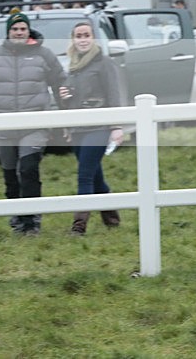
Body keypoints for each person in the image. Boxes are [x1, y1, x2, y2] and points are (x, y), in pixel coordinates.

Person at [0, 11, 66, 235]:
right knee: (10, 174)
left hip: (34, 125)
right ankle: (17, 216)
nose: (19, 32)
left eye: (23, 29)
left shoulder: (44, 55)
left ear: (29, 32)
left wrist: (64, 112)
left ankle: (31, 221)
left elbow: (61, 82)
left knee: (28, 169)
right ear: (9, 32)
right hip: (4, 127)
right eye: (15, 29)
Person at [58, 21, 124, 235]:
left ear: (93, 38)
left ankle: (79, 226)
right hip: (77, 128)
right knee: (95, 176)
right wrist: (65, 98)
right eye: (79, 35)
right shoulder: (73, 66)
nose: (83, 39)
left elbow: (114, 94)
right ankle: (112, 219)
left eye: (87, 35)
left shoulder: (104, 63)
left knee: (84, 175)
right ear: (73, 39)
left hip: (99, 126)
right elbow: (71, 99)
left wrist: (116, 126)